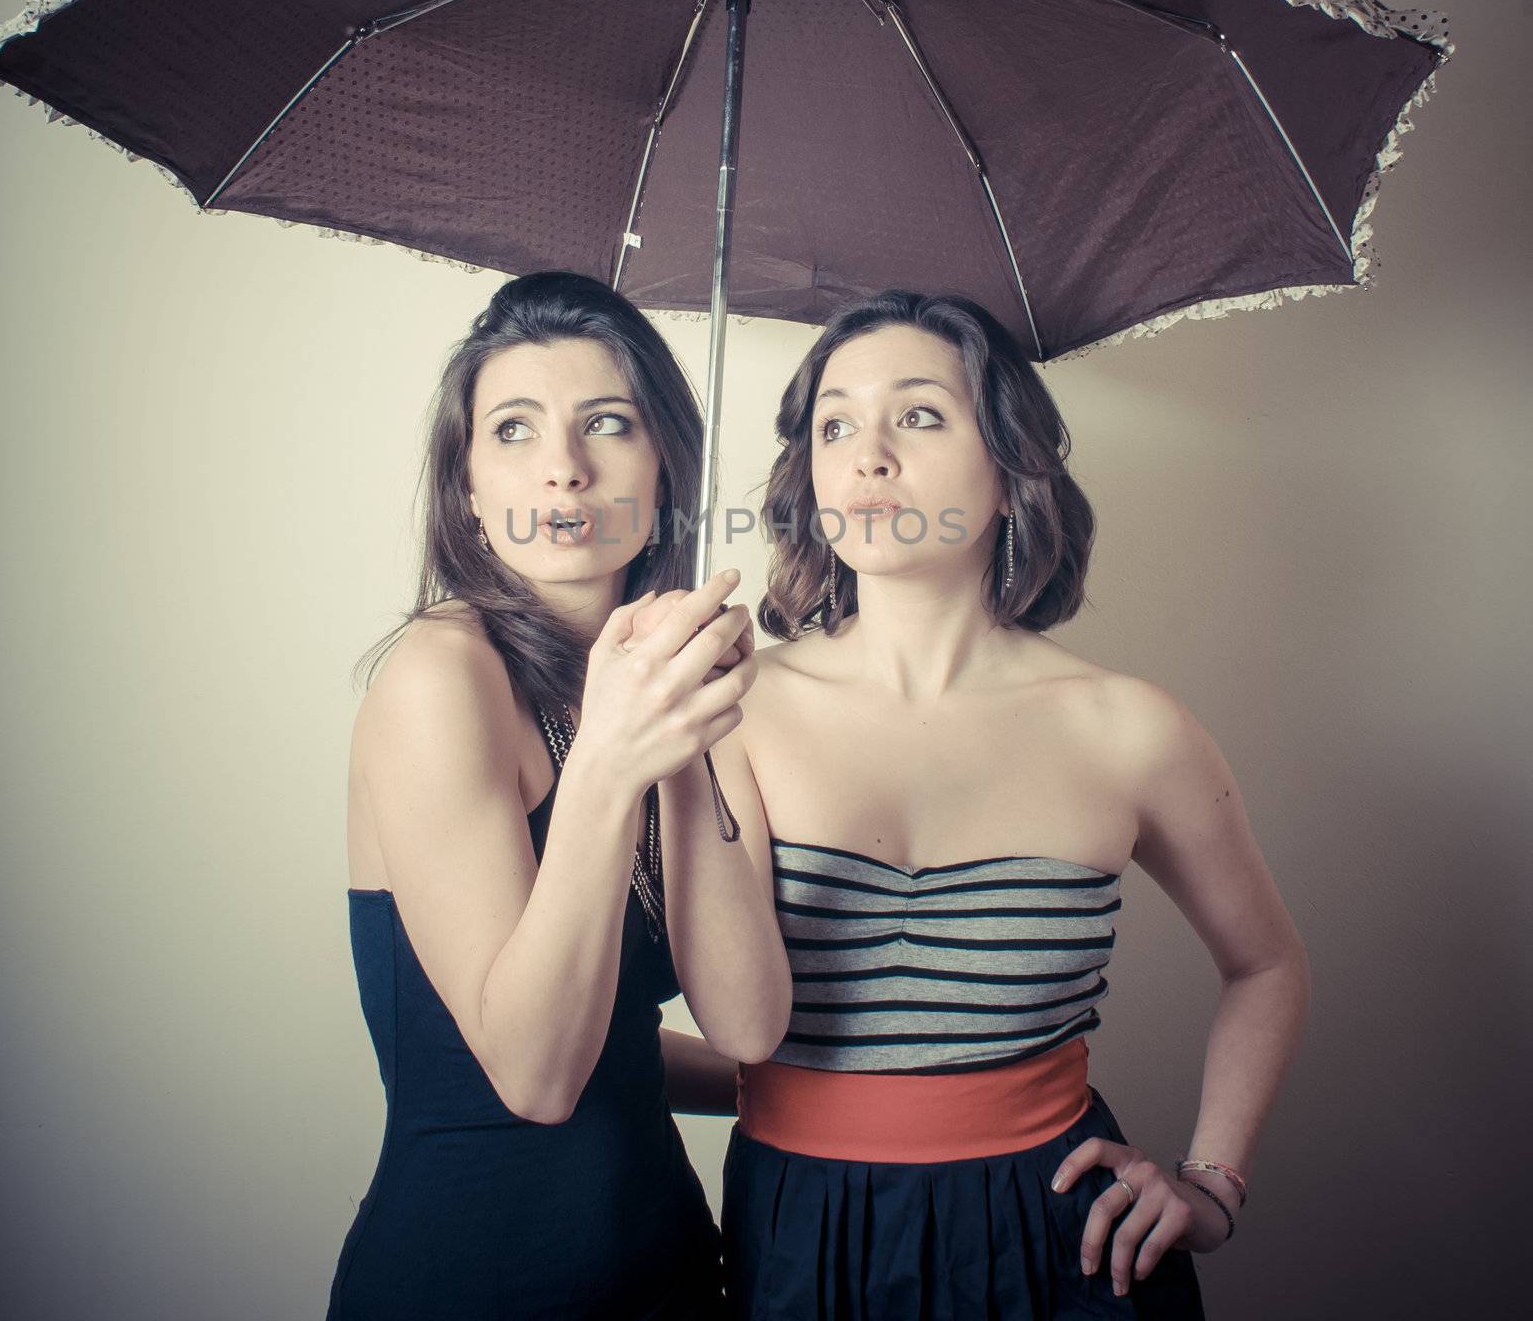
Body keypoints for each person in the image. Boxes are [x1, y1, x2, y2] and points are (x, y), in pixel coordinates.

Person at [712, 289, 1312, 1319]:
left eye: (919, 414)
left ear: (1008, 465)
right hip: (799, 1230)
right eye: (834, 423)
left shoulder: (1128, 727)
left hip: (1059, 1234)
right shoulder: (729, 710)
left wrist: (1212, 1185)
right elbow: (725, 1022)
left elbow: (1267, 965)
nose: (869, 455)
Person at [327, 271, 786, 1321]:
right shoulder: (438, 680)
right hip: (477, 1278)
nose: (565, 470)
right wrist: (615, 759)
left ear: (665, 463)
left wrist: (678, 734)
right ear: (469, 487)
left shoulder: (663, 686)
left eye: (607, 424)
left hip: (676, 1270)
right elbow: (536, 1075)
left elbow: (734, 1027)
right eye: (516, 430)